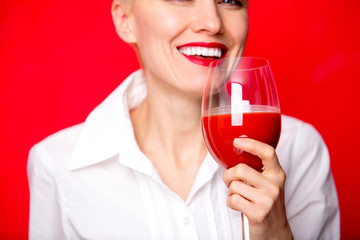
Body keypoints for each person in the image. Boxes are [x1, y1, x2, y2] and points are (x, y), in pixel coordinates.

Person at [27, 0, 340, 239]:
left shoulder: (300, 149)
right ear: (125, 20)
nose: (212, 22)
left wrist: (276, 234)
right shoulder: (57, 165)